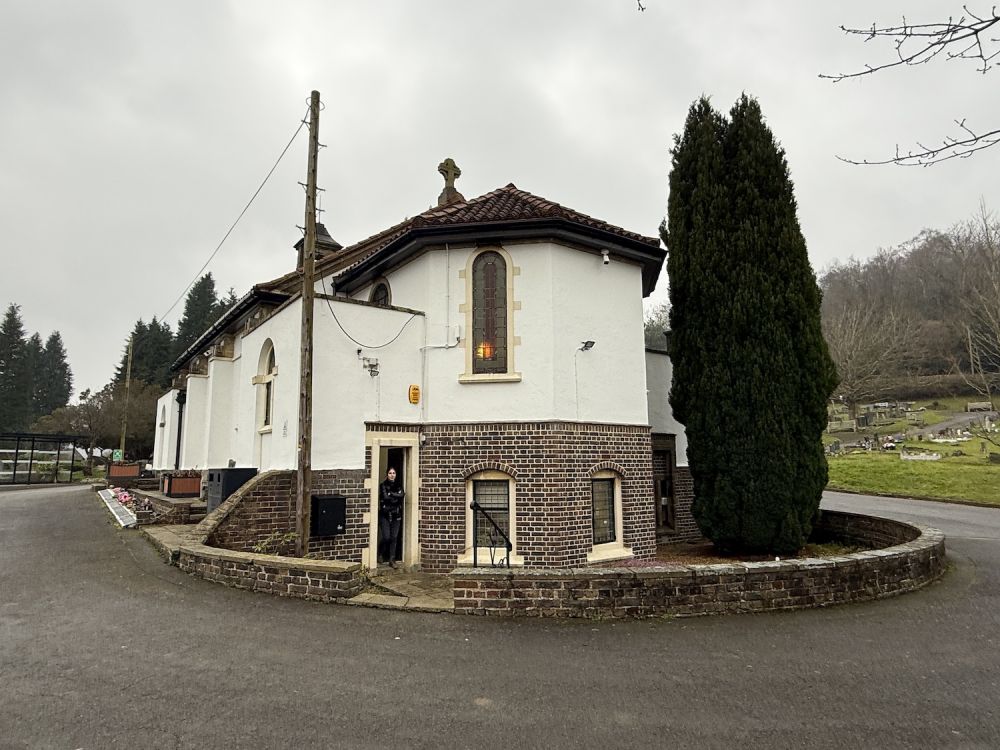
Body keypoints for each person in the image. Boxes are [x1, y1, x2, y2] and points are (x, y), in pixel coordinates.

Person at [378, 467, 404, 568]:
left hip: (396, 514)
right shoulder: (383, 485)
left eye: (394, 473)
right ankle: (380, 553)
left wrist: (392, 495)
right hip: (385, 514)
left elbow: (402, 495)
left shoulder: (398, 485)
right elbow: (385, 497)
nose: (392, 475)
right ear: (387, 474)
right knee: (386, 537)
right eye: (390, 473)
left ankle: (392, 559)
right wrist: (395, 496)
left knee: (394, 537)